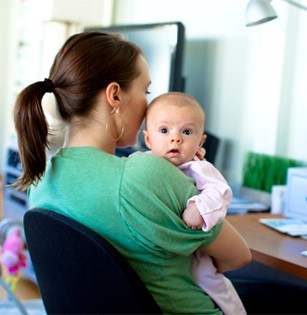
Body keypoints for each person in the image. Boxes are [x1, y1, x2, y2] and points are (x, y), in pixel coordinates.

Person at [13, 31, 252, 314]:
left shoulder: (40, 180)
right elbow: (239, 256)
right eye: (146, 91)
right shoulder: (145, 174)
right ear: (115, 95)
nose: (150, 106)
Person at [143, 92, 246, 315]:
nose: (175, 138)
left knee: (211, 281)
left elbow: (220, 192)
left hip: (199, 250)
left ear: (200, 142)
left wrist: (198, 208)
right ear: (148, 139)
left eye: (186, 132)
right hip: (169, 253)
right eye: (164, 130)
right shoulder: (143, 164)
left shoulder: (198, 167)